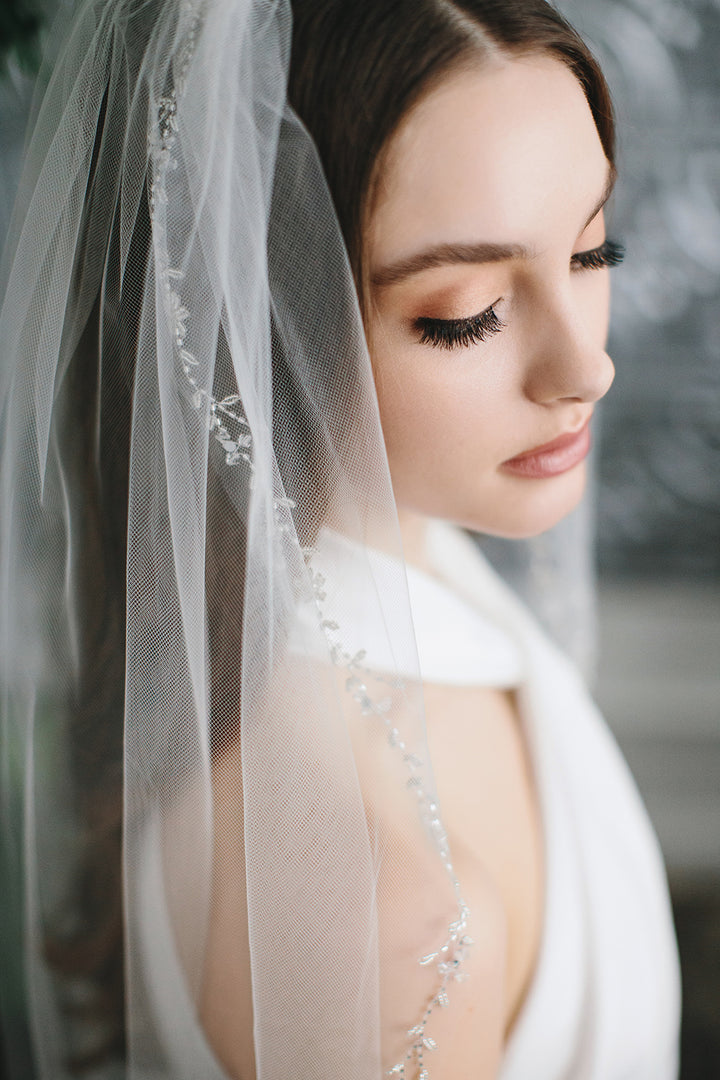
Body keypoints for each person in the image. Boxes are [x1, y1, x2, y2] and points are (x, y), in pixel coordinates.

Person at [0, 0, 680, 1078]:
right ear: (263, 321)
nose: (584, 369)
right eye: (463, 314)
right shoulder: (395, 927)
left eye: (597, 251)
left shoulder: (376, 575)